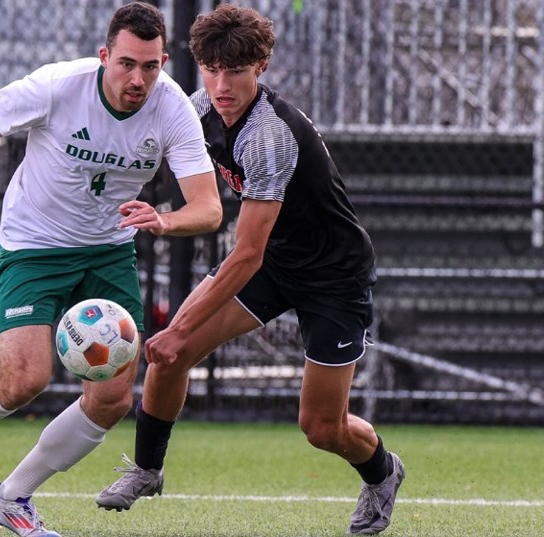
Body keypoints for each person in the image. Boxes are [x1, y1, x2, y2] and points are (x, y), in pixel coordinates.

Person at [0, 3, 222, 536]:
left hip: (107, 252)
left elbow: (209, 208)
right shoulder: (58, 86)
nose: (138, 78)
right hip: (34, 245)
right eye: (127, 64)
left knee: (113, 397)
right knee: (25, 380)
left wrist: (164, 222)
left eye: (150, 66)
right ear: (105, 56)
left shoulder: (172, 109)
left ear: (163, 62)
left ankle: (12, 497)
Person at [95, 4, 404, 535]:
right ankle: (147, 470)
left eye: (234, 71)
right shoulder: (198, 108)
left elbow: (246, 253)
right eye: (211, 68)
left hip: (333, 276)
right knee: (170, 356)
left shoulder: (269, 135)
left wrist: (182, 326)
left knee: (321, 427)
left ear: (259, 68)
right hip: (275, 261)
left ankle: (382, 472)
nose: (221, 83)